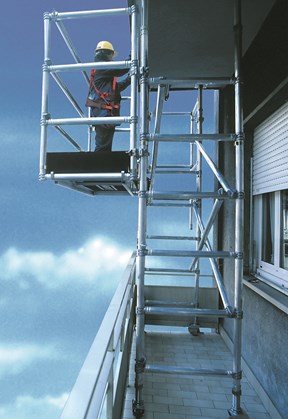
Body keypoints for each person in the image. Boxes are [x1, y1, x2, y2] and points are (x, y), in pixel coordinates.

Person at [86, 41, 131, 152]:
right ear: (106, 53)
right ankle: (97, 165)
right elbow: (121, 70)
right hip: (103, 113)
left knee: (104, 144)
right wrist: (132, 58)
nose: (112, 58)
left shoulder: (102, 69)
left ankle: (100, 164)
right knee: (102, 146)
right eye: (111, 55)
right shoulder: (102, 67)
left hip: (104, 113)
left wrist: (129, 80)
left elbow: (115, 89)